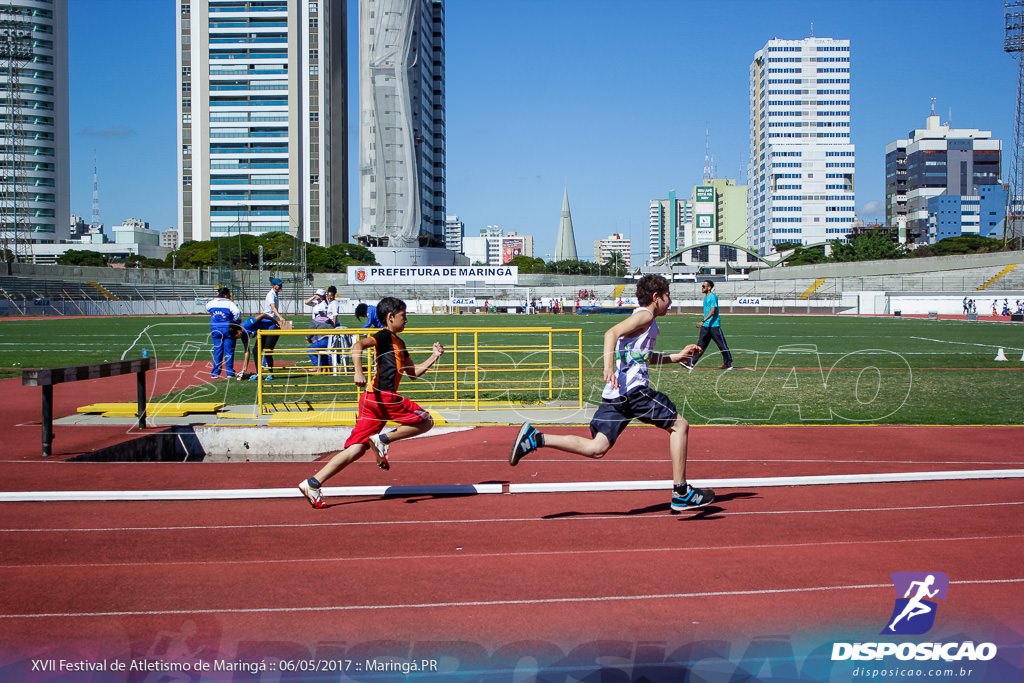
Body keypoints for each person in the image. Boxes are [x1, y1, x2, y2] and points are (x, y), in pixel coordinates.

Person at [508, 274, 714, 513]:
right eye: (668, 297)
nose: (670, 302)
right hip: (634, 392)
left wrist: (675, 357)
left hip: (616, 395)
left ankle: (536, 438)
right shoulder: (645, 315)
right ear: (656, 297)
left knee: (597, 448)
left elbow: (640, 358)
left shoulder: (643, 320)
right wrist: (607, 367)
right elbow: (610, 334)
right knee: (680, 426)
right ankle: (681, 492)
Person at [298, 296, 446, 508]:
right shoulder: (383, 336)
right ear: (390, 317)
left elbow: (412, 373)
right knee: (426, 421)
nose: (406, 321)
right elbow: (357, 345)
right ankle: (383, 440)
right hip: (382, 397)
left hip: (371, 401)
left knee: (357, 449)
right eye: (403, 317)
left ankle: (313, 483)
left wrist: (434, 356)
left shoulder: (400, 343)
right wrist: (358, 372)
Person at [686, 280, 733, 370]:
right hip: (706, 326)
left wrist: (702, 321)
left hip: (714, 325)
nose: (702, 288)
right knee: (700, 345)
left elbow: (712, 311)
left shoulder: (712, 297)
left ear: (709, 287)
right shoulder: (706, 298)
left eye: (704, 286)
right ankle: (691, 363)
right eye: (702, 286)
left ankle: (728, 363)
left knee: (722, 345)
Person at [206, 287, 241, 379]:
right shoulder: (229, 303)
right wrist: (235, 322)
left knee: (217, 350)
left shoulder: (211, 302)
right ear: (225, 295)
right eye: (229, 294)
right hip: (227, 328)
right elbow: (237, 312)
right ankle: (229, 372)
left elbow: (207, 308)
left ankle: (215, 373)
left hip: (215, 329)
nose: (230, 296)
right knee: (229, 351)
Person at [261, 277, 288, 378]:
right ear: (274, 285)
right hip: (268, 321)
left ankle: (267, 369)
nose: (280, 286)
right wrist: (280, 318)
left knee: (268, 347)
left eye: (280, 284)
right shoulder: (271, 294)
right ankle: (265, 369)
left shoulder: (275, 294)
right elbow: (273, 308)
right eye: (278, 285)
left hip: (272, 321)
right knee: (266, 348)